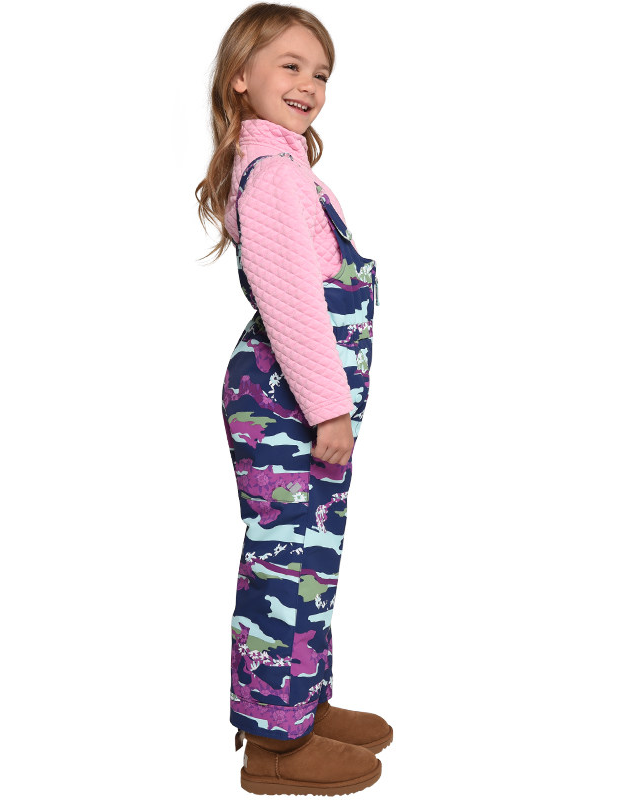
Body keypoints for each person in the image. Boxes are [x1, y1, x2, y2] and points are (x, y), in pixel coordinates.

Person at [195, 4, 390, 794]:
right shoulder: (274, 175)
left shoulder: (286, 167)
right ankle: (274, 744)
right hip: (289, 403)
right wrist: (328, 408)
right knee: (287, 562)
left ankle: (301, 704)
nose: (309, 84)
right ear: (240, 77)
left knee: (309, 557)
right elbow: (294, 306)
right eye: (291, 65)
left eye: (321, 73)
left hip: (296, 399)